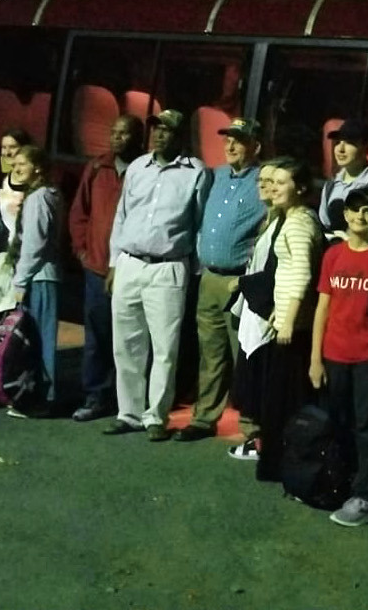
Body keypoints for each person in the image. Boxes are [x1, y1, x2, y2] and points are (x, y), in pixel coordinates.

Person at [104, 109, 210, 441]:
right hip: (130, 263)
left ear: (180, 135)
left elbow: (200, 224)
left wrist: (196, 272)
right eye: (156, 129)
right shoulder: (137, 167)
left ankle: (156, 416)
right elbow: (121, 217)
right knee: (126, 343)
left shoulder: (196, 172)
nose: (159, 134)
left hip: (169, 267)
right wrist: (113, 263)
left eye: (167, 130)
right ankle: (129, 413)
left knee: (165, 347)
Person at [311, 186, 368, 527]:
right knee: (338, 422)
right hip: (334, 354)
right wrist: (315, 359)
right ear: (346, 216)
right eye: (354, 211)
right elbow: (323, 307)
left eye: (367, 211)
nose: (360, 217)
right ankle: (343, 483)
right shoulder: (333, 254)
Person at [178, 118, 268, 442]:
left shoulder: (263, 182)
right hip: (210, 278)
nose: (229, 145)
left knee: (245, 356)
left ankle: (251, 425)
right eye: (227, 139)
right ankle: (204, 418)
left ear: (255, 147)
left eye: (238, 140)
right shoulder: (214, 177)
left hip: (238, 283)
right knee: (211, 354)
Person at [239, 158, 322, 478]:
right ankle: (283, 463)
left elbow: (301, 273)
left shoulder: (299, 223)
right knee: (283, 400)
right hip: (289, 321)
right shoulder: (295, 218)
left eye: (282, 182)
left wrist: (287, 320)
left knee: (283, 402)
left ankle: (282, 464)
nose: (273, 187)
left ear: (300, 188)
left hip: (293, 327)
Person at [68, 116, 144, 422]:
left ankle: (128, 401)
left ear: (138, 139)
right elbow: (79, 213)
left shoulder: (146, 170)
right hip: (97, 268)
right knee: (97, 336)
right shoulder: (98, 168)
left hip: (131, 268)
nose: (117, 138)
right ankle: (96, 395)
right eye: (114, 132)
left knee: (131, 337)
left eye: (124, 133)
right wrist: (82, 251)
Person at [226, 158, 283, 461]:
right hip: (254, 309)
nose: (264, 186)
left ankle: (262, 442)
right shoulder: (268, 219)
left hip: (268, 312)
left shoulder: (287, 222)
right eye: (262, 180)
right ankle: (255, 438)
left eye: (272, 181)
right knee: (250, 377)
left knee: (263, 380)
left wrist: (244, 283)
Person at [6, 144, 63, 417]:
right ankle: (39, 394)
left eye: (21, 165)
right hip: (44, 276)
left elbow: (33, 243)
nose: (15, 169)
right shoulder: (49, 194)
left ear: (37, 167)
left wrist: (20, 281)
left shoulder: (39, 198)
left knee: (38, 339)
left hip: (39, 277)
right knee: (39, 338)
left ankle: (41, 397)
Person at [317, 119, 368, 237]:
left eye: (350, 143)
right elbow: (325, 226)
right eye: (338, 142)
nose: (340, 149)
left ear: (367, 147)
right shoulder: (331, 185)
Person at [0, 129, 33, 243]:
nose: (7, 152)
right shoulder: (4, 180)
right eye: (4, 147)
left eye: (12, 147)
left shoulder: (32, 182)